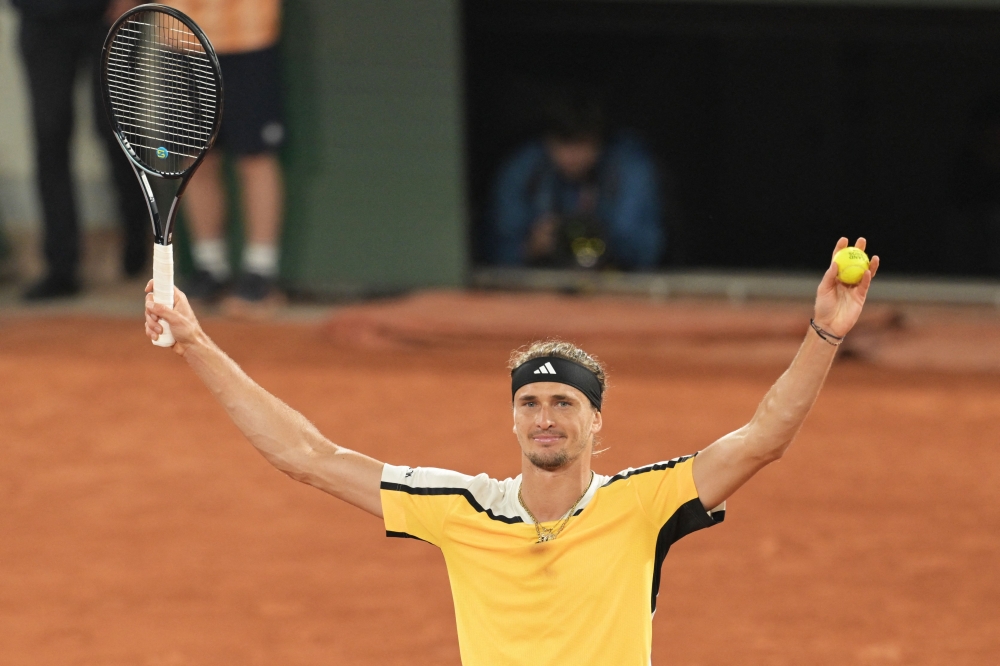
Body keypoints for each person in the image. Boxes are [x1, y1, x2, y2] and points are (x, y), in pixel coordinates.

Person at [143, 238, 879, 664]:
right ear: (513, 420)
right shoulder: (458, 508)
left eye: (564, 403)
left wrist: (826, 333)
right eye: (530, 403)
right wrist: (197, 343)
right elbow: (307, 455)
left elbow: (763, 438)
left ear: (596, 420)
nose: (545, 418)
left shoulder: (645, 504)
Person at [13, 0, 150, 300]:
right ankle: (61, 266)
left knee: (116, 128)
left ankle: (137, 240)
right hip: (41, 18)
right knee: (50, 135)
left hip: (108, 14)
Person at [163, 0, 285, 312]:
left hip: (249, 36)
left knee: (255, 156)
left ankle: (260, 271)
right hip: (180, 35)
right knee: (194, 160)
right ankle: (210, 267)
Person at [488, 92, 665, 270]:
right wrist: (529, 248)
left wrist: (605, 247)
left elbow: (647, 250)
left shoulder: (629, 165)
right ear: (547, 140)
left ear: (601, 140)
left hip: (613, 276)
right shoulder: (523, 169)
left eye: (584, 143)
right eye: (563, 143)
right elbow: (494, 250)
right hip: (540, 278)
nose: (573, 156)